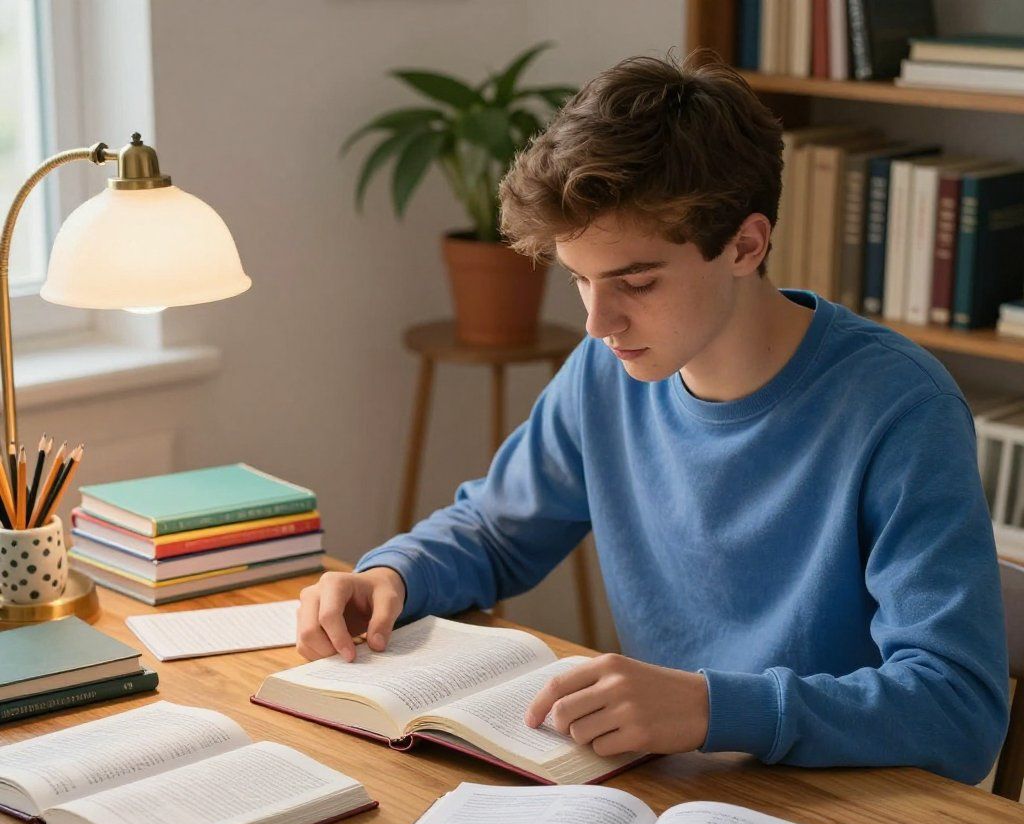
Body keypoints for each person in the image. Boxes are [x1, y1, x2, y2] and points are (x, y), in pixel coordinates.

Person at [298, 51, 1008, 784]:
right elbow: (495, 531)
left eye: (635, 281)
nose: (598, 321)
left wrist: (713, 710)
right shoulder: (608, 372)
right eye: (580, 280)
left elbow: (960, 710)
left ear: (745, 244)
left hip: (846, 811)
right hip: (668, 788)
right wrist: (394, 574)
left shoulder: (900, 409)